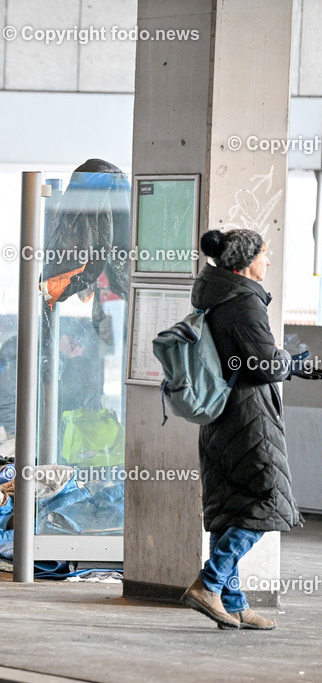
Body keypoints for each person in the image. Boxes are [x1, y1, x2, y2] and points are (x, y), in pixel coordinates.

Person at [181, 229, 318, 630]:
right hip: (247, 418)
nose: (269, 261)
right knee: (267, 502)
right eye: (265, 253)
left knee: (230, 508)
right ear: (245, 261)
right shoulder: (243, 303)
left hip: (219, 417)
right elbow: (265, 364)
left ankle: (234, 603)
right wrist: (295, 360)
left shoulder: (216, 296)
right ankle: (209, 584)